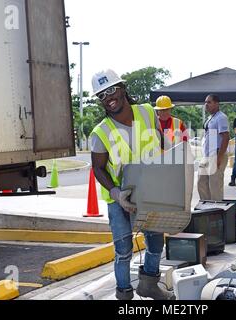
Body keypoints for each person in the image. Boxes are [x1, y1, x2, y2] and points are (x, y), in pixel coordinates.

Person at [89, 69, 175, 300]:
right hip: (120, 198)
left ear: (122, 88)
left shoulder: (147, 112)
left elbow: (162, 144)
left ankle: (149, 284)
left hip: (151, 192)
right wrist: (117, 194)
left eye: (111, 90)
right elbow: (97, 167)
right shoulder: (101, 132)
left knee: (156, 242)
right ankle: (124, 294)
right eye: (102, 95)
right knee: (124, 250)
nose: (108, 97)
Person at [198, 94, 230, 201]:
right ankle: (205, 208)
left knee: (215, 185)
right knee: (201, 182)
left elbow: (225, 137)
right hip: (207, 155)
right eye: (205, 102)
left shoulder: (221, 117)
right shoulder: (210, 118)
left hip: (216, 154)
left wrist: (219, 158)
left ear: (217, 103)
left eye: (209, 102)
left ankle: (216, 211)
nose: (206, 105)